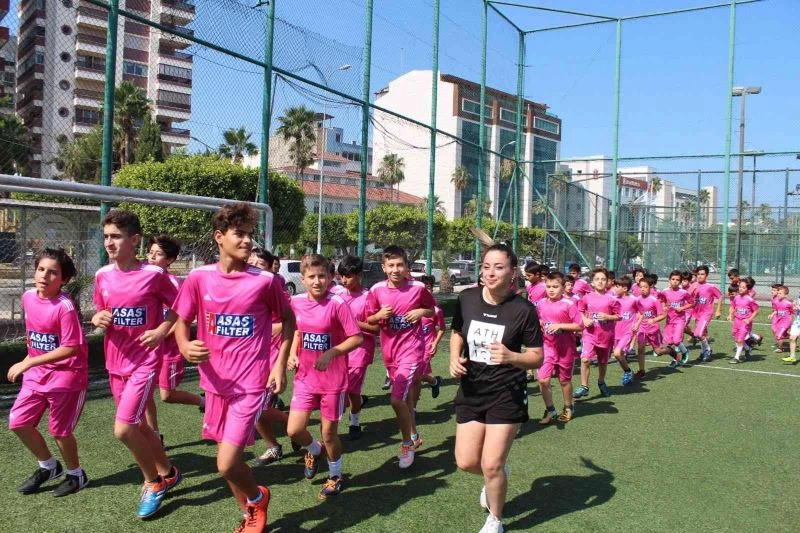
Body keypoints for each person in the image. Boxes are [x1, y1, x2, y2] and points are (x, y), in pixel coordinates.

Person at [173, 203, 295, 532]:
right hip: (214, 383)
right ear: (219, 237)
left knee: (225, 463)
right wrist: (185, 345)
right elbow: (181, 321)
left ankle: (257, 498)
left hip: (250, 384)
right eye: (239, 235)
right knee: (230, 462)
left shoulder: (265, 281)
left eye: (250, 236)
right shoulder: (198, 278)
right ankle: (248, 513)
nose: (246, 242)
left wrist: (279, 365)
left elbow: (288, 320)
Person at [91, 210, 181, 519]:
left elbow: (181, 307)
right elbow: (101, 310)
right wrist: (96, 317)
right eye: (106, 237)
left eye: (115, 236)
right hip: (115, 364)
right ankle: (169, 471)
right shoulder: (102, 275)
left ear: (135, 240)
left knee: (124, 428)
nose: (109, 243)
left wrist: (160, 330)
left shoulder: (154, 275)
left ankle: (153, 482)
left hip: (144, 363)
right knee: (140, 426)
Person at [450, 242, 543, 533]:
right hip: (472, 390)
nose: (490, 273)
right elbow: (456, 332)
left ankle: (495, 519)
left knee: (490, 463)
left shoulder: (523, 310)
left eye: (499, 267)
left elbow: (537, 356)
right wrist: (454, 356)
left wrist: (512, 356)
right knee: (466, 461)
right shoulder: (467, 298)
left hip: (507, 393)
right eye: (486, 266)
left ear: (512, 272)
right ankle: (496, 476)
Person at [7, 248, 89, 497]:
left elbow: (70, 348)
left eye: (53, 273)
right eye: (41, 269)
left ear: (63, 280)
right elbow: (38, 340)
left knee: (60, 431)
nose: (44, 276)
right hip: (37, 374)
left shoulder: (64, 307)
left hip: (67, 377)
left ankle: (76, 474)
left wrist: (28, 363)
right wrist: (28, 360)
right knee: (18, 422)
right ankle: (48, 466)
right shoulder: (28, 297)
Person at [286, 254, 362, 499]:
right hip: (305, 378)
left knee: (329, 433)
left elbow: (356, 337)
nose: (317, 281)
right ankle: (314, 450)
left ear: (330, 278)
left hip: (333, 381)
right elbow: (295, 329)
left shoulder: (337, 303)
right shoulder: (295, 302)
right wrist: (290, 354)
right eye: (311, 277)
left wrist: (332, 353)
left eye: (322, 276)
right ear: (303, 279)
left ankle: (335, 475)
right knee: (294, 430)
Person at [366, 245, 435, 469]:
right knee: (404, 398)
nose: (396, 269)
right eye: (391, 265)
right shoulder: (376, 290)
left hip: (412, 352)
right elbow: (368, 320)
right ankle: (414, 435)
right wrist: (379, 315)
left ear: (407, 267)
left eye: (400, 265)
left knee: (396, 399)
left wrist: (421, 312)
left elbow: (432, 309)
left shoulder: (417, 288)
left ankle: (406, 445)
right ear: (384, 267)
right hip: (390, 354)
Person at [144, 235, 204, 445]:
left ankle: (202, 401)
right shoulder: (143, 278)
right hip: (149, 350)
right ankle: (154, 435)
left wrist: (161, 333)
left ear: (169, 260)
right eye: (150, 252)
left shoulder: (173, 283)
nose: (151, 257)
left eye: (158, 254)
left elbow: (182, 317)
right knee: (145, 392)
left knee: (167, 395)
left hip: (169, 350)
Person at [337, 255, 379, 441]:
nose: (344, 280)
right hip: (340, 350)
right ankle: (359, 402)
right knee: (341, 390)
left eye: (348, 276)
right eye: (341, 276)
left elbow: (376, 328)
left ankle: (354, 422)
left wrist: (354, 323)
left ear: (359, 275)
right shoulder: (337, 297)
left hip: (360, 351)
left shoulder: (368, 297)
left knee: (351, 391)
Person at [536, 271, 582, 424]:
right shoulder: (541, 303)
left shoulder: (569, 304)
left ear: (563, 287)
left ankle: (568, 407)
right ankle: (550, 410)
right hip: (547, 347)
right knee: (543, 380)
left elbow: (579, 326)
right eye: (548, 286)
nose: (551, 289)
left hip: (565, 349)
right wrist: (540, 324)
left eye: (555, 286)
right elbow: (539, 320)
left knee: (564, 381)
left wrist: (560, 326)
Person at [573, 268, 620, 399]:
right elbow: (580, 311)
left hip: (606, 335)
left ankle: (601, 381)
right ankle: (584, 386)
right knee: (585, 359)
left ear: (608, 282)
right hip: (590, 334)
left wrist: (607, 317)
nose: (600, 282)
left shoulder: (612, 299)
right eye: (597, 279)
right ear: (592, 282)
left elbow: (619, 316)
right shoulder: (586, 298)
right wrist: (585, 319)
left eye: (603, 279)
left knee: (603, 362)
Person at [633, 276, 669, 379]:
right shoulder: (637, 300)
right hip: (642, 329)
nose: (642, 289)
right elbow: (636, 313)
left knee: (658, 351)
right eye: (641, 287)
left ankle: (670, 350)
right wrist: (635, 323)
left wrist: (653, 320)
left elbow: (662, 315)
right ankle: (641, 370)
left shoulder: (654, 300)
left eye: (645, 287)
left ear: (650, 287)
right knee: (640, 349)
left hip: (653, 329)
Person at [659, 270, 695, 368]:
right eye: (673, 279)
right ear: (669, 280)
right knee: (669, 342)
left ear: (680, 282)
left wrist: (682, 308)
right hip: (669, 320)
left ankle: (684, 352)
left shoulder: (683, 292)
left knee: (677, 341)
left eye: (677, 280)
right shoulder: (665, 291)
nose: (675, 281)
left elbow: (692, 302)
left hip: (680, 320)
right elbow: (661, 300)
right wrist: (664, 307)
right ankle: (675, 359)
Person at [418, 275, 444, 399]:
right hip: (414, 346)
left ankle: (413, 408)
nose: (427, 290)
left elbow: (442, 329)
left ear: (432, 289)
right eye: (424, 288)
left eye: (429, 288)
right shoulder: (414, 308)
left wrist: (435, 343)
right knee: (416, 376)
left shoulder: (436, 310)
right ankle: (434, 382)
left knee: (417, 374)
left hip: (428, 346)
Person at [611, 275, 639, 386]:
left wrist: (636, 324)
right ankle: (628, 371)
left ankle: (627, 371)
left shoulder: (633, 300)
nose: (614, 289)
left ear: (625, 289)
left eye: (617, 286)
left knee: (617, 353)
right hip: (614, 332)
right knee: (619, 355)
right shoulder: (612, 299)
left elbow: (641, 312)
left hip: (627, 332)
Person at [691, 265, 723, 362]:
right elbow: (688, 297)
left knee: (698, 333)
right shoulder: (694, 286)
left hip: (706, 313)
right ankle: (703, 351)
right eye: (698, 274)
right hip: (697, 313)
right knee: (702, 334)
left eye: (702, 274)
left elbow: (720, 296)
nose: (700, 276)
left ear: (706, 275)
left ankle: (708, 349)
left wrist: (718, 310)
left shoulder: (710, 287)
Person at [728, 278, 759, 364]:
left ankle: (736, 357)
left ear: (748, 289)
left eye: (743, 287)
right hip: (736, 322)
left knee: (740, 340)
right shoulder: (736, 297)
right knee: (736, 339)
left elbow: (756, 310)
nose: (741, 289)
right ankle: (748, 349)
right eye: (740, 287)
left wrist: (749, 319)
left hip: (745, 323)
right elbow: (732, 307)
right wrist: (730, 315)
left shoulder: (750, 299)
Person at [770, 285, 793, 354]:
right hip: (779, 321)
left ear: (785, 295)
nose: (778, 294)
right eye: (778, 293)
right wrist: (772, 315)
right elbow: (776, 310)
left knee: (779, 335)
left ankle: (780, 349)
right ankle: (792, 337)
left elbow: (793, 312)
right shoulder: (776, 302)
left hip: (786, 322)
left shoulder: (788, 303)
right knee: (780, 335)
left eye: (780, 293)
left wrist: (792, 322)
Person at [781, 290, 800, 364]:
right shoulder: (798, 297)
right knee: (792, 338)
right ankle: (792, 357)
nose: (799, 290)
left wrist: (797, 307)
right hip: (797, 321)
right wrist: (794, 306)